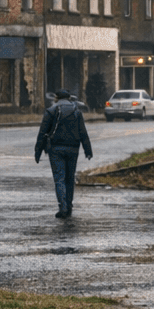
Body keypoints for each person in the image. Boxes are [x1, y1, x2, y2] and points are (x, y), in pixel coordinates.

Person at [34, 87, 92, 218]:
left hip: (55, 149)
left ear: (56, 98)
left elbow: (42, 132)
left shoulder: (51, 111)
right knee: (70, 178)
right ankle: (69, 206)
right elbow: (83, 132)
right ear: (69, 98)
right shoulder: (77, 112)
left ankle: (63, 206)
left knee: (59, 178)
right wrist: (88, 150)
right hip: (73, 148)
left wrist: (38, 151)